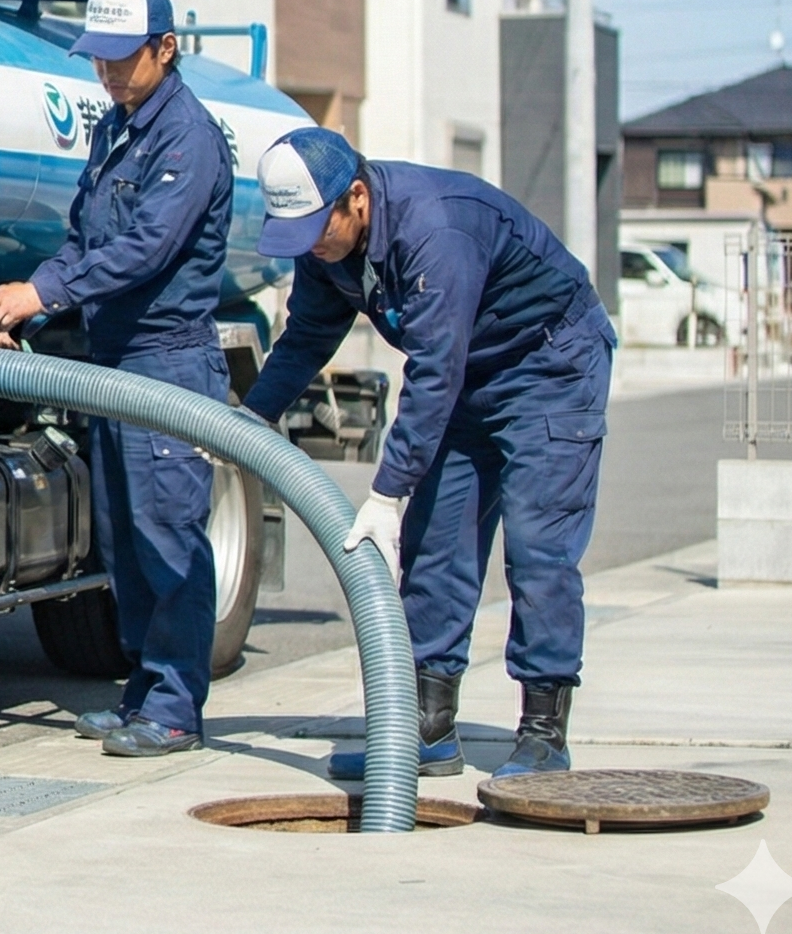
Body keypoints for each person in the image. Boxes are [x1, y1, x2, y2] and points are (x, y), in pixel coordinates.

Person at [240, 127, 611, 779]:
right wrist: (247, 419)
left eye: (318, 230)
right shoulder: (323, 240)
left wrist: (386, 491)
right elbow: (306, 337)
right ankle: (427, 728)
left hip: (550, 366)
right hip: (468, 374)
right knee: (438, 546)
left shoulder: (436, 231)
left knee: (537, 547)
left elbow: (435, 369)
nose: (313, 249)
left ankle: (543, 732)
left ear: (355, 197)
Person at [0, 0, 233, 759]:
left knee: (167, 536)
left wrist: (43, 291)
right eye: (100, 60)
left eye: (124, 60)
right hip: (114, 358)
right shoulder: (116, 129)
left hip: (169, 359)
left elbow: (146, 248)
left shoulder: (187, 137)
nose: (110, 74)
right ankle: (142, 692)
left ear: (166, 48)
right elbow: (87, 238)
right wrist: (31, 306)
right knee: (121, 537)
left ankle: (178, 707)